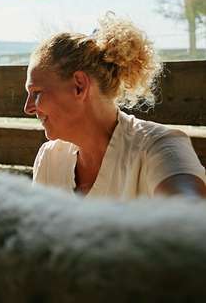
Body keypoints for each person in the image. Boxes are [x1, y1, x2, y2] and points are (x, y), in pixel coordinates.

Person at [24, 13, 206, 199]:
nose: (28, 107)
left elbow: (190, 212)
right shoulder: (50, 159)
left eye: (37, 93)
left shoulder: (159, 147)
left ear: (79, 86)